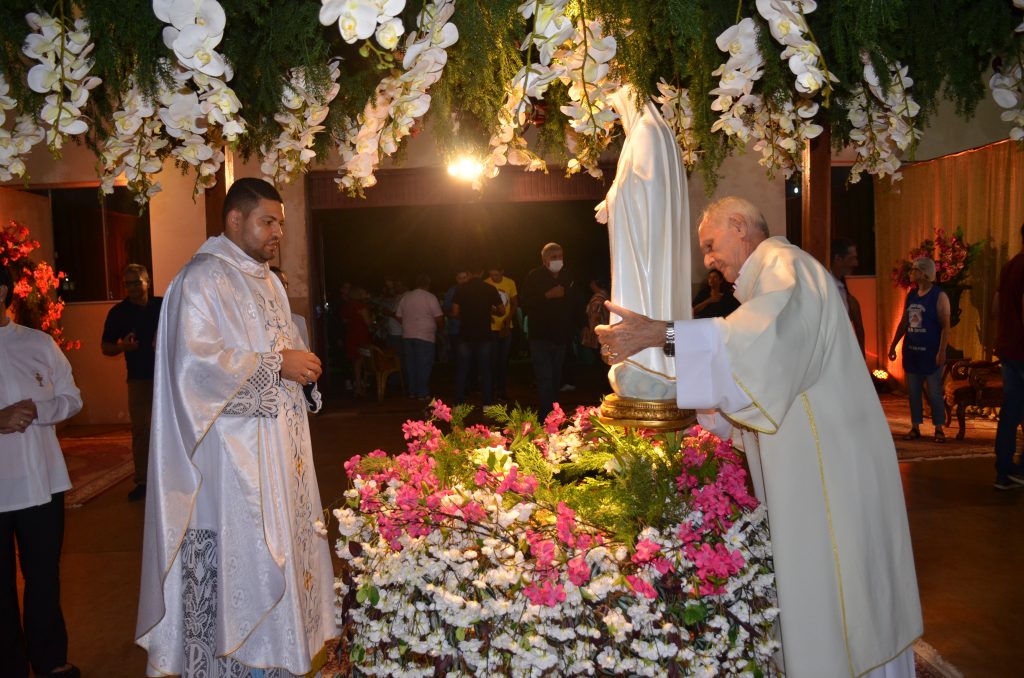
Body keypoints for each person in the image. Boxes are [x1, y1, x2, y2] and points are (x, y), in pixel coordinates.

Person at [596, 196, 922, 677]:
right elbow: (755, 381)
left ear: (739, 224)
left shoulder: (787, 267)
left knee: (841, 598)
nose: (708, 259)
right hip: (821, 465)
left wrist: (660, 336)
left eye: (710, 245)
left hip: (830, 477)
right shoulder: (772, 281)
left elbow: (754, 348)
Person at [136, 178, 336, 676]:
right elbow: (193, 366)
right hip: (229, 465)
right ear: (233, 219)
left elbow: (281, 347)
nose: (277, 234)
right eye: (268, 222)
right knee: (238, 565)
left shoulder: (269, 280)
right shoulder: (200, 279)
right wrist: (275, 366)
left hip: (280, 455)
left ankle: (279, 658)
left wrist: (300, 366)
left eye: (281, 224)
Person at [1, 265, 84, 678]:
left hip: (42, 484)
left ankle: (51, 661)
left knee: (43, 579)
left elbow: (72, 398)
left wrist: (40, 411)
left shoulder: (39, 343)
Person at [603, 83, 692, 400]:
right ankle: (653, 361)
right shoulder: (654, 133)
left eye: (615, 107)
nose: (615, 115)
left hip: (646, 254)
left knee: (645, 297)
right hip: (648, 243)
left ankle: (650, 363)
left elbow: (642, 196)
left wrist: (614, 199)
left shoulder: (647, 132)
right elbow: (642, 188)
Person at [101, 263, 162, 502]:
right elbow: (106, 347)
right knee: (142, 430)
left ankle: (172, 477)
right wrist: (123, 347)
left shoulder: (162, 305)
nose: (132, 288)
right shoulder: (118, 313)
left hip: (167, 378)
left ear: (147, 281)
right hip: (139, 379)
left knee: (172, 428)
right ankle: (144, 481)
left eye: (136, 282)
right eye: (128, 284)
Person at [887, 257, 950, 443]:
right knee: (913, 392)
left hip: (931, 352)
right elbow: (904, 323)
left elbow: (946, 326)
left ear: (924, 273)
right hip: (912, 352)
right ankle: (915, 426)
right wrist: (893, 345)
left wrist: (942, 351)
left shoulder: (939, 296)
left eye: (914, 270)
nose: (910, 273)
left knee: (934, 392)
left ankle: (939, 428)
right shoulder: (911, 295)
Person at [521, 243, 579, 418]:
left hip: (560, 336)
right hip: (540, 336)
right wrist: (547, 296)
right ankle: (546, 417)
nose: (558, 260)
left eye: (560, 256)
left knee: (555, 378)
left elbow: (575, 303)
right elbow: (525, 303)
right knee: (544, 377)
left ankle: (554, 413)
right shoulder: (534, 276)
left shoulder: (567, 276)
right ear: (545, 260)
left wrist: (582, 326)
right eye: (554, 257)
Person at [993, 221, 1024, 490]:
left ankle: (1004, 472)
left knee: (1011, 412)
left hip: (1009, 349)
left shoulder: (1010, 266)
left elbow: (996, 305)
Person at [453, 268, 504, 405]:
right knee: (486, 370)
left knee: (462, 369)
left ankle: (458, 404)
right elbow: (502, 310)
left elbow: (455, 312)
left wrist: (464, 317)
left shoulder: (461, 289)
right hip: (484, 335)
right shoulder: (490, 289)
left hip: (465, 334)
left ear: (469, 273)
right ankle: (487, 403)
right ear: (482, 273)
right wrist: (491, 312)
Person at [397, 273, 443, 400]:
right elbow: (438, 317)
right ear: (428, 284)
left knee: (411, 364)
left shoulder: (406, 297)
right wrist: (440, 328)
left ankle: (412, 391)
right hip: (425, 335)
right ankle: (422, 392)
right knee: (424, 364)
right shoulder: (430, 297)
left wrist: (408, 324)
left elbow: (398, 315)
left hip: (407, 334)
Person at [830, 238, 866, 356]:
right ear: (837, 259)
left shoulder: (842, 291)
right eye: (851, 258)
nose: (856, 263)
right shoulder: (826, 287)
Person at [486, 265, 517, 401]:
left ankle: (502, 391)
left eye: (497, 275)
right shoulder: (486, 283)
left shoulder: (510, 283)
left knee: (503, 361)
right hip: (491, 329)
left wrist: (509, 318)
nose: (494, 277)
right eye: (492, 275)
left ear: (502, 272)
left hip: (505, 328)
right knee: (492, 361)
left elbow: (515, 303)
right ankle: (491, 390)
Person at [342, 286, 373, 398]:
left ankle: (358, 386)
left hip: (351, 335)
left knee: (356, 362)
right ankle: (360, 387)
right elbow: (368, 322)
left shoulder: (348, 307)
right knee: (361, 362)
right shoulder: (362, 306)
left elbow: (345, 320)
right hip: (361, 335)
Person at [270, 265, 311, 348]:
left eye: (285, 284)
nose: (283, 288)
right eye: (279, 283)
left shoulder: (299, 321)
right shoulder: (261, 322)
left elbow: (305, 353)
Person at [581, 277, 610, 362]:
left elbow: (594, 317)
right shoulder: (606, 295)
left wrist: (590, 333)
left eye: (591, 283)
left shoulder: (597, 299)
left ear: (595, 284)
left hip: (598, 333)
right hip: (606, 330)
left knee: (599, 358)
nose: (590, 285)